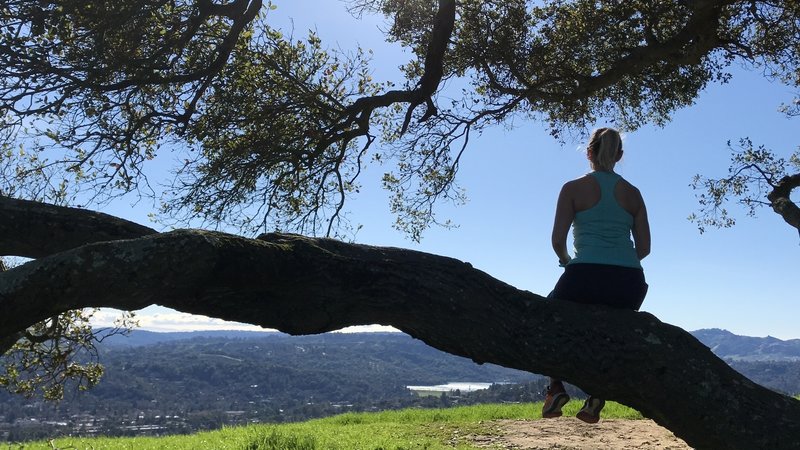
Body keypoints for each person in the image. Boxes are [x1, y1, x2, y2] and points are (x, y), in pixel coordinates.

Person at [542, 127, 651, 424]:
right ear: (619, 155)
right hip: (629, 281)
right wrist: (620, 260)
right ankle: (596, 395)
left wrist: (569, 263)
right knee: (608, 333)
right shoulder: (633, 194)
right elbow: (644, 248)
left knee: (547, 321)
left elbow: (557, 242)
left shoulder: (572, 188)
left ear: (589, 152)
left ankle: (555, 388)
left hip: (584, 274)